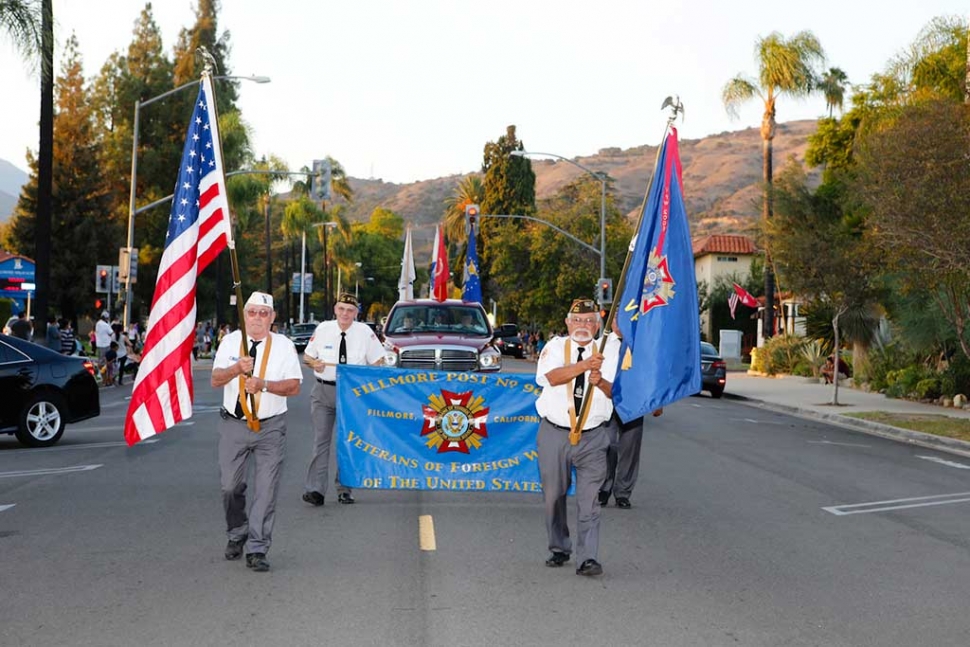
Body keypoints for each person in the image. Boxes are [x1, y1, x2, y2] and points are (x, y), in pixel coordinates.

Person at [211, 292, 302, 573]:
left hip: (270, 428)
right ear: (244, 315)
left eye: (264, 313)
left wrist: (263, 384)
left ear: (272, 318)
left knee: (266, 489)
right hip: (234, 425)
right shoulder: (230, 342)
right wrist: (236, 368)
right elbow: (215, 379)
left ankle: (258, 548)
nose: (258, 318)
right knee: (230, 487)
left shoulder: (284, 346)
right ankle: (237, 531)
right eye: (252, 312)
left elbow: (294, 387)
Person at [534, 297, 618, 577]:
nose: (583, 325)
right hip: (555, 434)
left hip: (594, 438)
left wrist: (602, 382)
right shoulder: (555, 347)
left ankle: (588, 558)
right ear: (568, 323)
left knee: (590, 501)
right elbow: (553, 377)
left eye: (590, 320)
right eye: (578, 320)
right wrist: (585, 367)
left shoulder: (612, 349)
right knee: (554, 496)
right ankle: (559, 546)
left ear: (597, 325)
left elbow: (620, 393)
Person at [302, 293, 385, 507]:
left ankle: (344, 489)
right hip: (323, 391)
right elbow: (308, 356)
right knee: (320, 441)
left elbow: (379, 360)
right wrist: (315, 364)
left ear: (356, 312)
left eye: (350, 310)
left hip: (352, 395)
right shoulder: (323, 329)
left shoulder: (364, 332)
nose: (345, 314)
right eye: (341, 309)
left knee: (347, 442)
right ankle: (316, 490)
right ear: (335, 309)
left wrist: (363, 377)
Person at [598, 320, 662, 509]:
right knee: (607, 446)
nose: (620, 323)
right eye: (617, 318)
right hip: (606, 402)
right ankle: (603, 488)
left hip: (633, 404)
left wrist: (657, 402)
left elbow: (650, 374)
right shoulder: (602, 345)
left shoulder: (641, 346)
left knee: (630, 449)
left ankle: (623, 493)